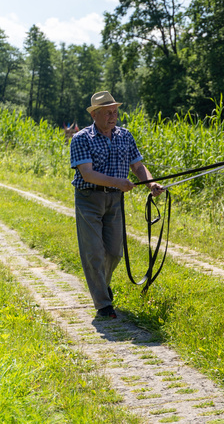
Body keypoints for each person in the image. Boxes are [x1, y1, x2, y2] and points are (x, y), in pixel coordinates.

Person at [69, 91, 164, 319]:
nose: (113, 117)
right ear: (95, 114)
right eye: (108, 113)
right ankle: (103, 304)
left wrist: (151, 184)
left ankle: (102, 286)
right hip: (89, 199)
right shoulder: (81, 138)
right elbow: (88, 174)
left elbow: (138, 166)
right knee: (94, 252)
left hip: (115, 200)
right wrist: (118, 182)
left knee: (114, 252)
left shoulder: (125, 136)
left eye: (115, 112)